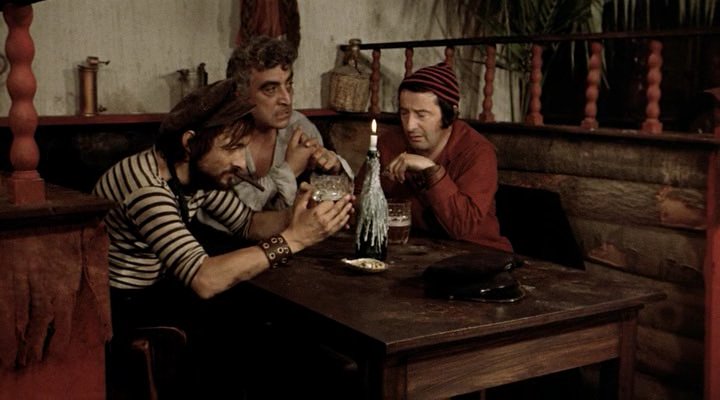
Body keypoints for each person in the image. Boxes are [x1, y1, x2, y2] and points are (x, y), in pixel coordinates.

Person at [93, 78, 353, 398]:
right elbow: (204, 279)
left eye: (244, 147)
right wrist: (295, 239)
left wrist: (297, 215)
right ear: (190, 143)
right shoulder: (147, 189)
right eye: (232, 148)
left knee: (272, 329)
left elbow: (247, 223)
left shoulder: (192, 173)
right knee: (250, 343)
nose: (242, 162)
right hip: (122, 312)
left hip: (156, 292)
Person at [360, 61, 512, 252]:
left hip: (478, 254)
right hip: (412, 253)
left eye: (421, 115)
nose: (409, 126)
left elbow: (461, 226)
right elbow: (359, 199)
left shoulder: (477, 152)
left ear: (449, 114)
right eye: (404, 113)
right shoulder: (389, 143)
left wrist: (430, 169)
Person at [226, 34, 353, 211]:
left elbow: (322, 205)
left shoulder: (299, 126)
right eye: (271, 89)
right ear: (241, 95)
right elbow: (236, 214)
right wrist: (289, 170)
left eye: (289, 84)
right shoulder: (223, 139)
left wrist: (332, 169)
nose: (286, 99)